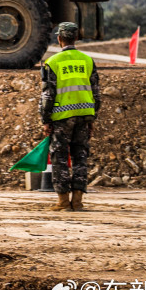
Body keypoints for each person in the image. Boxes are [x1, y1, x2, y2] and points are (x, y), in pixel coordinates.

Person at [40, 21, 102, 211]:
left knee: (59, 158)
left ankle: (63, 202)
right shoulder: (87, 61)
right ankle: (78, 201)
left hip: (62, 117)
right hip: (84, 115)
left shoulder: (52, 63)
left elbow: (48, 95)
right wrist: (92, 117)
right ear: (75, 38)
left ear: (59, 38)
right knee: (80, 157)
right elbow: (96, 92)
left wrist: (46, 119)